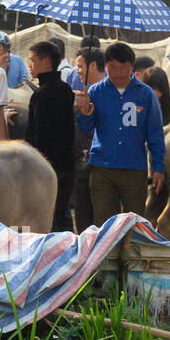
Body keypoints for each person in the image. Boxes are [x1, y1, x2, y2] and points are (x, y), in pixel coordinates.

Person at [75, 42, 165, 225]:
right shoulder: (95, 92)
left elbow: (155, 133)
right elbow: (85, 128)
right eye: (112, 68)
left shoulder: (146, 94)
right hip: (102, 168)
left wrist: (158, 167)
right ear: (105, 66)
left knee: (134, 225)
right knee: (105, 225)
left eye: (122, 68)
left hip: (134, 169)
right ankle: (110, 255)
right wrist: (84, 111)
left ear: (132, 67)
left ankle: (130, 254)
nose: (117, 73)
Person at [24, 40, 75, 232]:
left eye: (32, 60)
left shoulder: (42, 94)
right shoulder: (65, 89)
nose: (29, 65)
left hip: (46, 166)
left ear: (45, 62)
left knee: (48, 216)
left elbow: (36, 134)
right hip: (66, 165)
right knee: (62, 213)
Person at [70, 47, 105, 231]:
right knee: (83, 214)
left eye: (80, 66)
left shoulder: (106, 92)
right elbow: (84, 128)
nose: (77, 71)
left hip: (102, 164)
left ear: (92, 66)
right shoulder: (85, 93)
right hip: (85, 163)